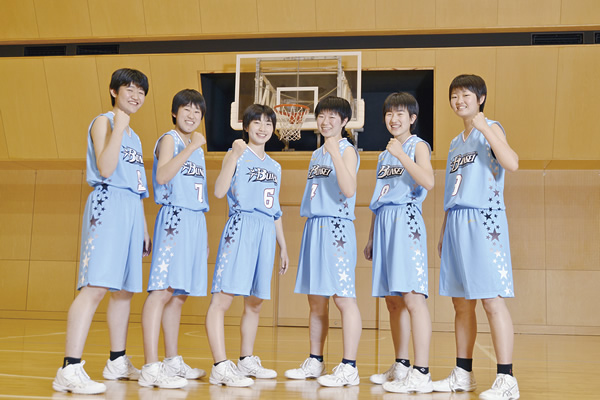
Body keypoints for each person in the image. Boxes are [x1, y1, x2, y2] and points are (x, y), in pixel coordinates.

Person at [52, 68, 151, 395]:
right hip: (108, 204)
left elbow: (138, 185)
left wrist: (143, 226)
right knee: (94, 287)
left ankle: (117, 361)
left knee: (124, 291)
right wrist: (118, 128)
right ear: (114, 91)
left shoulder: (135, 136)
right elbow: (106, 168)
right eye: (130, 89)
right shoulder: (103, 122)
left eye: (141, 92)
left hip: (131, 209)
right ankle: (69, 368)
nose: (135, 96)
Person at [433, 74, 520, 400]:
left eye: (466, 95)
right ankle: (463, 373)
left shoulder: (491, 127)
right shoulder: (455, 143)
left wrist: (485, 128)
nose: (459, 101)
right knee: (461, 303)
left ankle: (507, 379)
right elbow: (452, 191)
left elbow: (512, 163)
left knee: (491, 300)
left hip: (484, 221)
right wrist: (444, 230)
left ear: (480, 98)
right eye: (454, 96)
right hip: (456, 222)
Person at [205, 104, 289, 387]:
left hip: (266, 231)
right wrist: (234, 155)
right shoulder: (236, 154)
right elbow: (219, 191)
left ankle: (246, 360)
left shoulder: (275, 166)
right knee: (222, 299)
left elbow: (275, 209)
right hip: (241, 226)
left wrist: (283, 246)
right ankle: (220, 366)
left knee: (255, 302)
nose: (263, 128)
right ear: (246, 126)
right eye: (257, 122)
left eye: (268, 123)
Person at [284, 96, 362, 388]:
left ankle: (349, 366)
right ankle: (315, 360)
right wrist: (326, 150)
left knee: (343, 298)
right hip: (314, 227)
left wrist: (334, 153)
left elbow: (349, 189)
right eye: (321, 116)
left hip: (337, 228)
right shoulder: (316, 154)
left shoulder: (346, 150)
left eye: (332, 117)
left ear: (344, 121)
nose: (325, 121)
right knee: (316, 299)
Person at [138, 89, 209, 389]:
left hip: (195, 220)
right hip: (174, 218)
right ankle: (151, 366)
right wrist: (191, 147)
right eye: (186, 109)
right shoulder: (171, 139)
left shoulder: (197, 148)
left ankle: (171, 361)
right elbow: (163, 176)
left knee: (179, 295)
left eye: (197, 111)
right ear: (174, 112)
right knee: (162, 291)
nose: (191, 115)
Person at [363, 92, 434, 393]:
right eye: (389, 113)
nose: (394, 119)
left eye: (400, 113)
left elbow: (428, 181)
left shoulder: (418, 146)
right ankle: (402, 364)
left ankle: (422, 371)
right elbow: (379, 198)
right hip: (384, 223)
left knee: (413, 298)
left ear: (412, 118)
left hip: (406, 221)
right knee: (392, 301)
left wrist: (402, 155)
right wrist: (371, 236)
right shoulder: (383, 155)